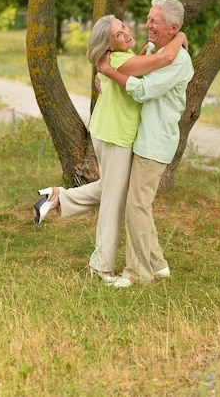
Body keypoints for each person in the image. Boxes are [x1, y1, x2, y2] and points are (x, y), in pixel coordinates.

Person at [33, 14, 187, 283]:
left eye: (125, 26)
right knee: (115, 202)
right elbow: (163, 59)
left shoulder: (120, 59)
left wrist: (106, 71)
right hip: (117, 136)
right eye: (118, 34)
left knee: (114, 189)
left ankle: (58, 197)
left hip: (109, 132)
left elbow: (145, 59)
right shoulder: (120, 61)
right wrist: (181, 36)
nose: (126, 33)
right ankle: (101, 264)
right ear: (108, 46)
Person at [97, 0, 194, 287]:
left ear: (172, 27)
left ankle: (137, 273)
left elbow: (142, 90)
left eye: (154, 20)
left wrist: (108, 72)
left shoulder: (178, 60)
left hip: (156, 143)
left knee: (136, 206)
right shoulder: (158, 48)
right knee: (139, 204)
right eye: (148, 17)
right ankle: (158, 264)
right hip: (145, 139)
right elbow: (139, 61)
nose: (147, 24)